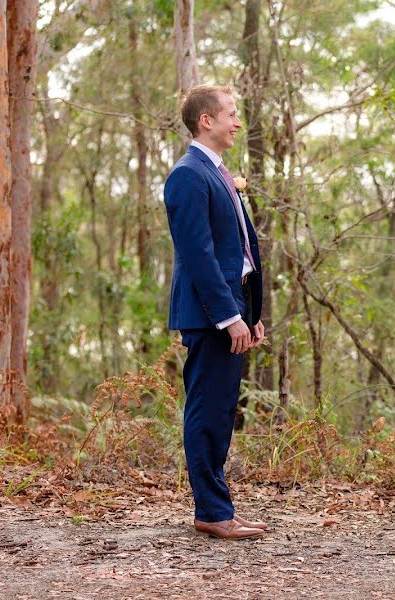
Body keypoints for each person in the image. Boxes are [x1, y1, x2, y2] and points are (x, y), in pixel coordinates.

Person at [163, 85, 268, 540]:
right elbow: (199, 256)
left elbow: (236, 252)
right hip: (210, 315)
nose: (237, 122)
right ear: (207, 120)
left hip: (232, 305)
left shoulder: (219, 173)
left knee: (223, 411)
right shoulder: (187, 175)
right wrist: (229, 316)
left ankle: (218, 505)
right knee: (206, 411)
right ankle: (210, 510)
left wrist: (251, 311)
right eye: (231, 114)